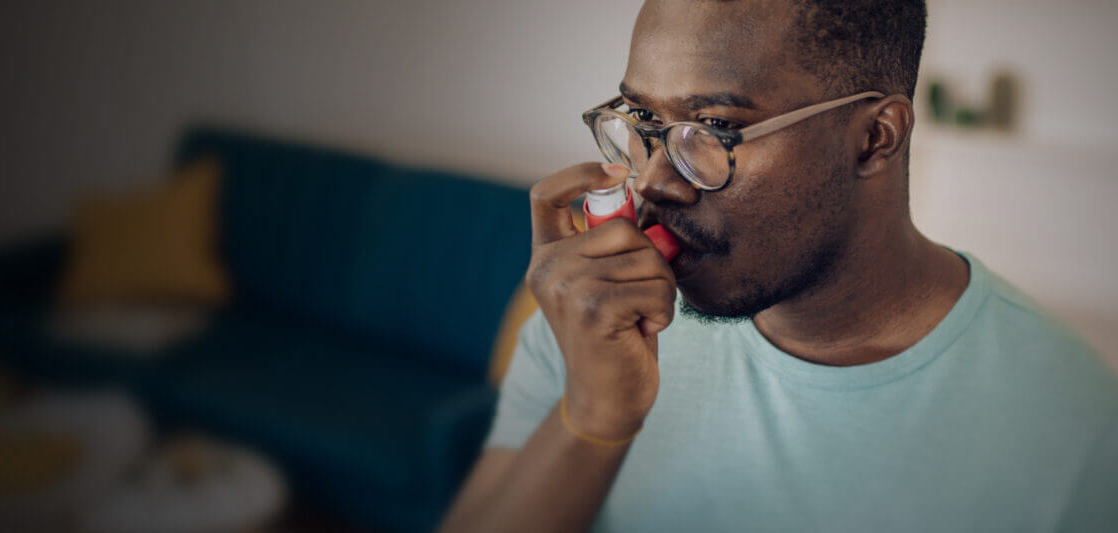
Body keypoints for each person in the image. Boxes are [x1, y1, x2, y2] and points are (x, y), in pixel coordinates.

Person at [439, 0, 1118, 531]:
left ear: (875, 138)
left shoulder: (1072, 422)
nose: (652, 183)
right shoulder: (594, 323)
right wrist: (594, 412)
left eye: (712, 131)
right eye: (640, 118)